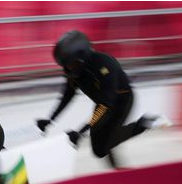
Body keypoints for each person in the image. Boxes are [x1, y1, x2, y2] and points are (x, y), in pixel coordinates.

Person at [36, 30, 171, 168]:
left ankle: (143, 123)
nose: (67, 69)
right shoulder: (73, 71)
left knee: (106, 142)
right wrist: (50, 119)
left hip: (120, 102)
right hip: (103, 103)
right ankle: (119, 171)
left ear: (81, 57)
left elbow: (106, 106)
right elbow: (67, 96)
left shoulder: (105, 64)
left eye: (70, 64)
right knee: (99, 150)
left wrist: (81, 131)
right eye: (65, 65)